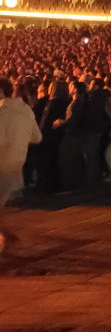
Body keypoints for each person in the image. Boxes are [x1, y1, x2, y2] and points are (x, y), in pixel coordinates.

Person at [1, 78, 43, 253]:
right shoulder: (26, 109)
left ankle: (10, 238)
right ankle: (8, 238)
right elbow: (37, 137)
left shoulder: (2, 112)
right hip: (17, 162)